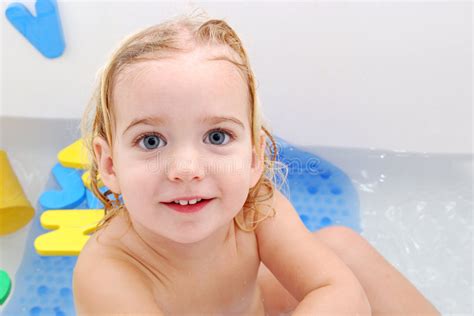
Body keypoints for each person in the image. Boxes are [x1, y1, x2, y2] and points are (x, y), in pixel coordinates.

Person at [73, 9, 440, 316]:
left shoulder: (255, 209)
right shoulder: (107, 272)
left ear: (253, 158)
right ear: (109, 165)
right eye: (150, 141)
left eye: (217, 137)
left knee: (342, 248)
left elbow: (340, 291)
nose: (186, 168)